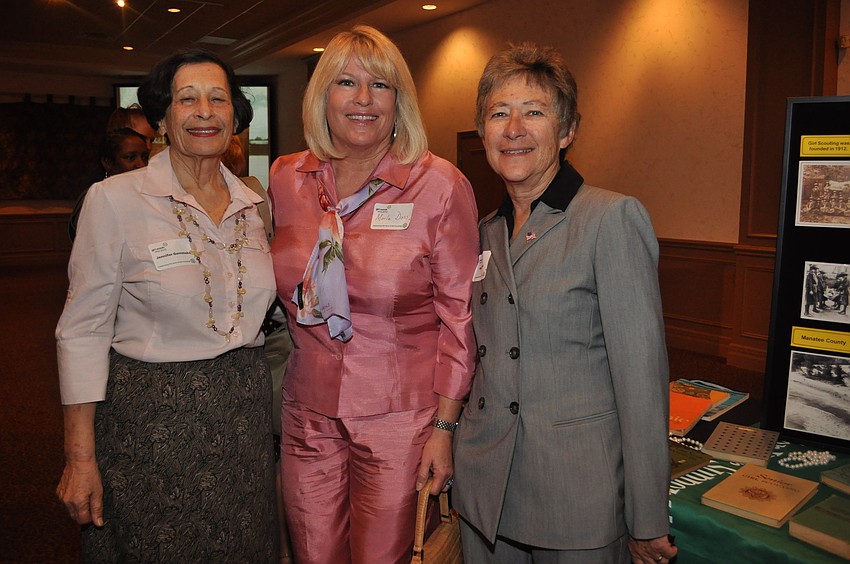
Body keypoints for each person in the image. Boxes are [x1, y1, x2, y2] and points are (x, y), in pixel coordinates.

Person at [452, 43, 677, 563]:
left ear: (568, 130)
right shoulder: (483, 234)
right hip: (487, 493)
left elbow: (641, 379)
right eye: (498, 113)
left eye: (534, 112)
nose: (513, 128)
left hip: (577, 495)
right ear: (482, 132)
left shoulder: (610, 219)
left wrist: (646, 516)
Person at [55, 48, 279, 561]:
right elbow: (81, 331)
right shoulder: (114, 200)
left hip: (242, 417)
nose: (205, 111)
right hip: (150, 424)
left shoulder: (253, 205)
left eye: (218, 99)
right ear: (160, 118)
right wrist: (79, 457)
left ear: (235, 117)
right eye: (187, 99)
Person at [267, 25, 479, 563]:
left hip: (401, 420)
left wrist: (445, 428)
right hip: (307, 413)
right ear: (322, 97)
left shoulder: (440, 186)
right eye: (346, 83)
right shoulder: (287, 179)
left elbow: (460, 319)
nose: (363, 99)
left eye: (380, 86)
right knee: (312, 553)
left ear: (398, 101)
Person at [68, 127, 151, 240]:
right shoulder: (96, 197)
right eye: (130, 157)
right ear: (108, 163)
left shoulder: (148, 194)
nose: (141, 164)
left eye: (145, 157)